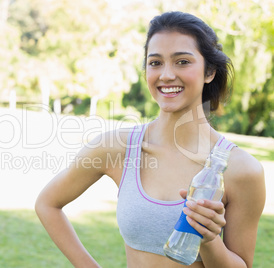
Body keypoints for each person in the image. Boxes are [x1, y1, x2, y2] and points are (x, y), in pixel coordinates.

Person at [35, 11, 265, 268]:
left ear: (210, 71)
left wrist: (209, 239)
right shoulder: (117, 148)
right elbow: (48, 204)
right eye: (155, 63)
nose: (166, 75)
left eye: (182, 62)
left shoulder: (242, 170)